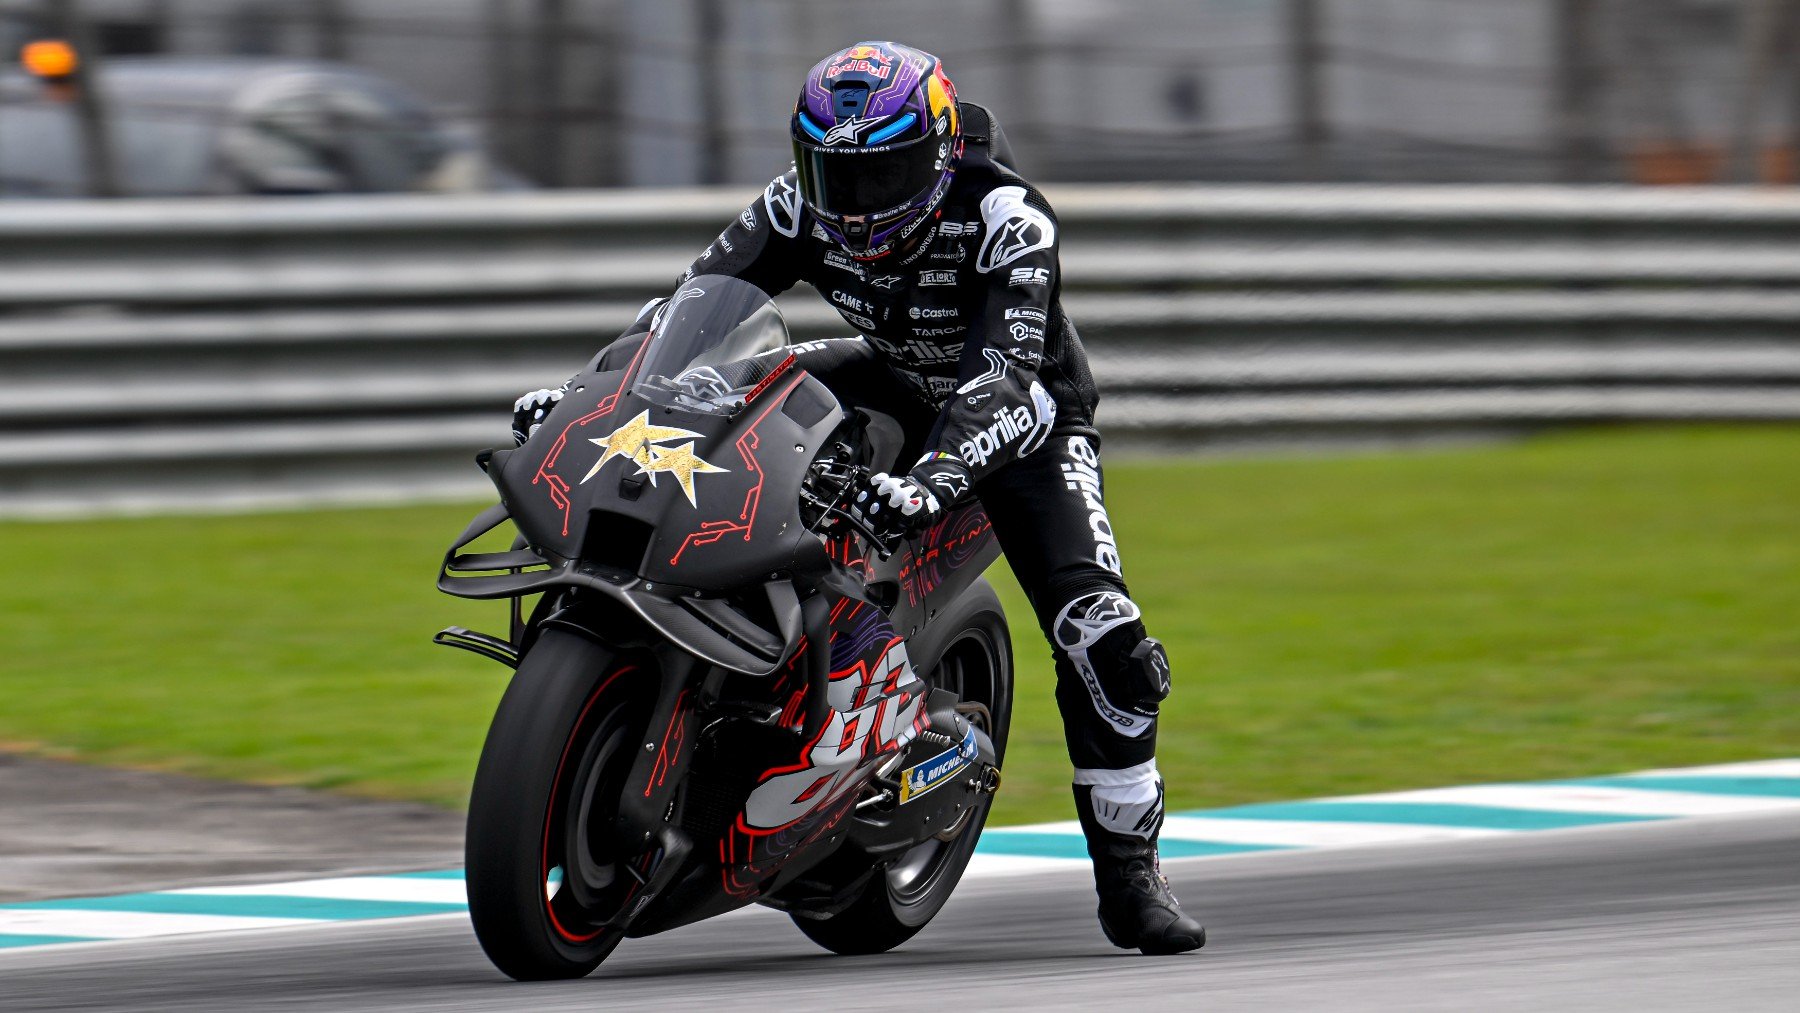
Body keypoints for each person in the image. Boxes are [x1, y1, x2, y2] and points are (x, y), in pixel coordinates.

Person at [512, 41, 1204, 955]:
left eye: (888, 174)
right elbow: (686, 310)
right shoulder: (798, 204)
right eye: (835, 175)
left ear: (944, 148)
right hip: (888, 378)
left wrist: (934, 481)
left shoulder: (1007, 218)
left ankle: (1129, 876)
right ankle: (750, 672)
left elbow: (1002, 376)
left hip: (1028, 417)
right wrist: (586, 402)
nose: (858, 203)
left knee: (1105, 639)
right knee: (725, 401)